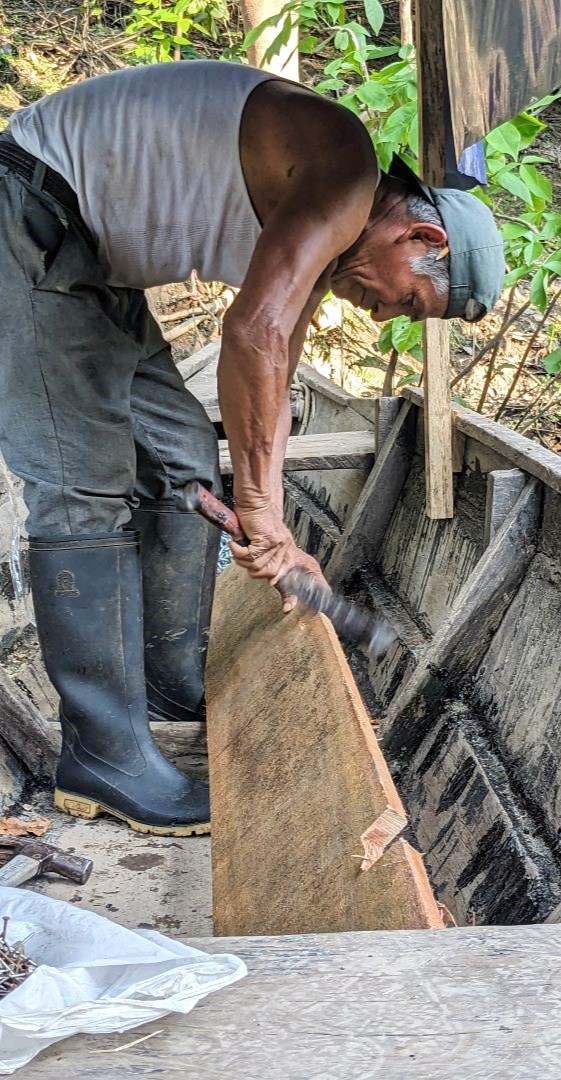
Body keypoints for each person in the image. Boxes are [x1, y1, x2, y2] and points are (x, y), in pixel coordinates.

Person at [0, 60, 504, 836]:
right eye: (407, 298)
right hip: (29, 211)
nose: (379, 319)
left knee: (179, 454)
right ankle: (102, 756)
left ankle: (165, 688)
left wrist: (272, 525)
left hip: (88, 258)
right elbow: (252, 331)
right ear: (421, 234)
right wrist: (262, 512)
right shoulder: (343, 174)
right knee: (82, 482)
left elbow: (278, 348)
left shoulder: (329, 226)